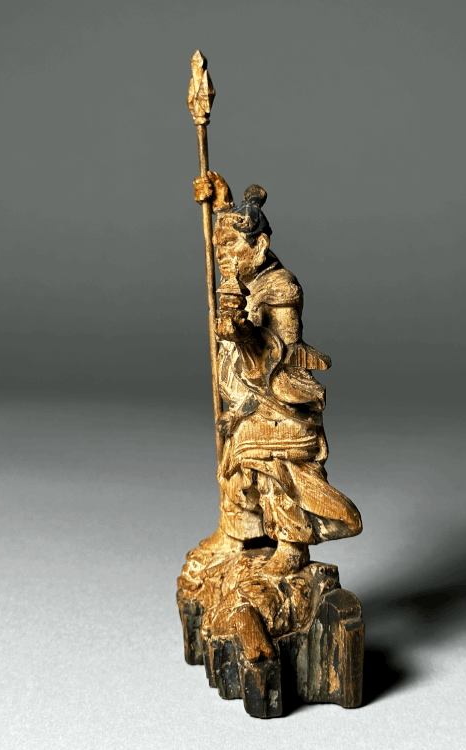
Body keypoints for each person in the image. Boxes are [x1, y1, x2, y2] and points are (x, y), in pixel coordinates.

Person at [190, 172, 362, 577]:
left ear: (261, 245)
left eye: (231, 246)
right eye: (218, 247)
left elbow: (279, 352)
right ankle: (237, 534)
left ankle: (291, 545)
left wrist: (242, 333)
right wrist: (221, 202)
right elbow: (233, 238)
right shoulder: (241, 279)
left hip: (277, 404)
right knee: (234, 469)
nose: (223, 256)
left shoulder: (281, 288)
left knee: (272, 470)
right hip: (245, 403)